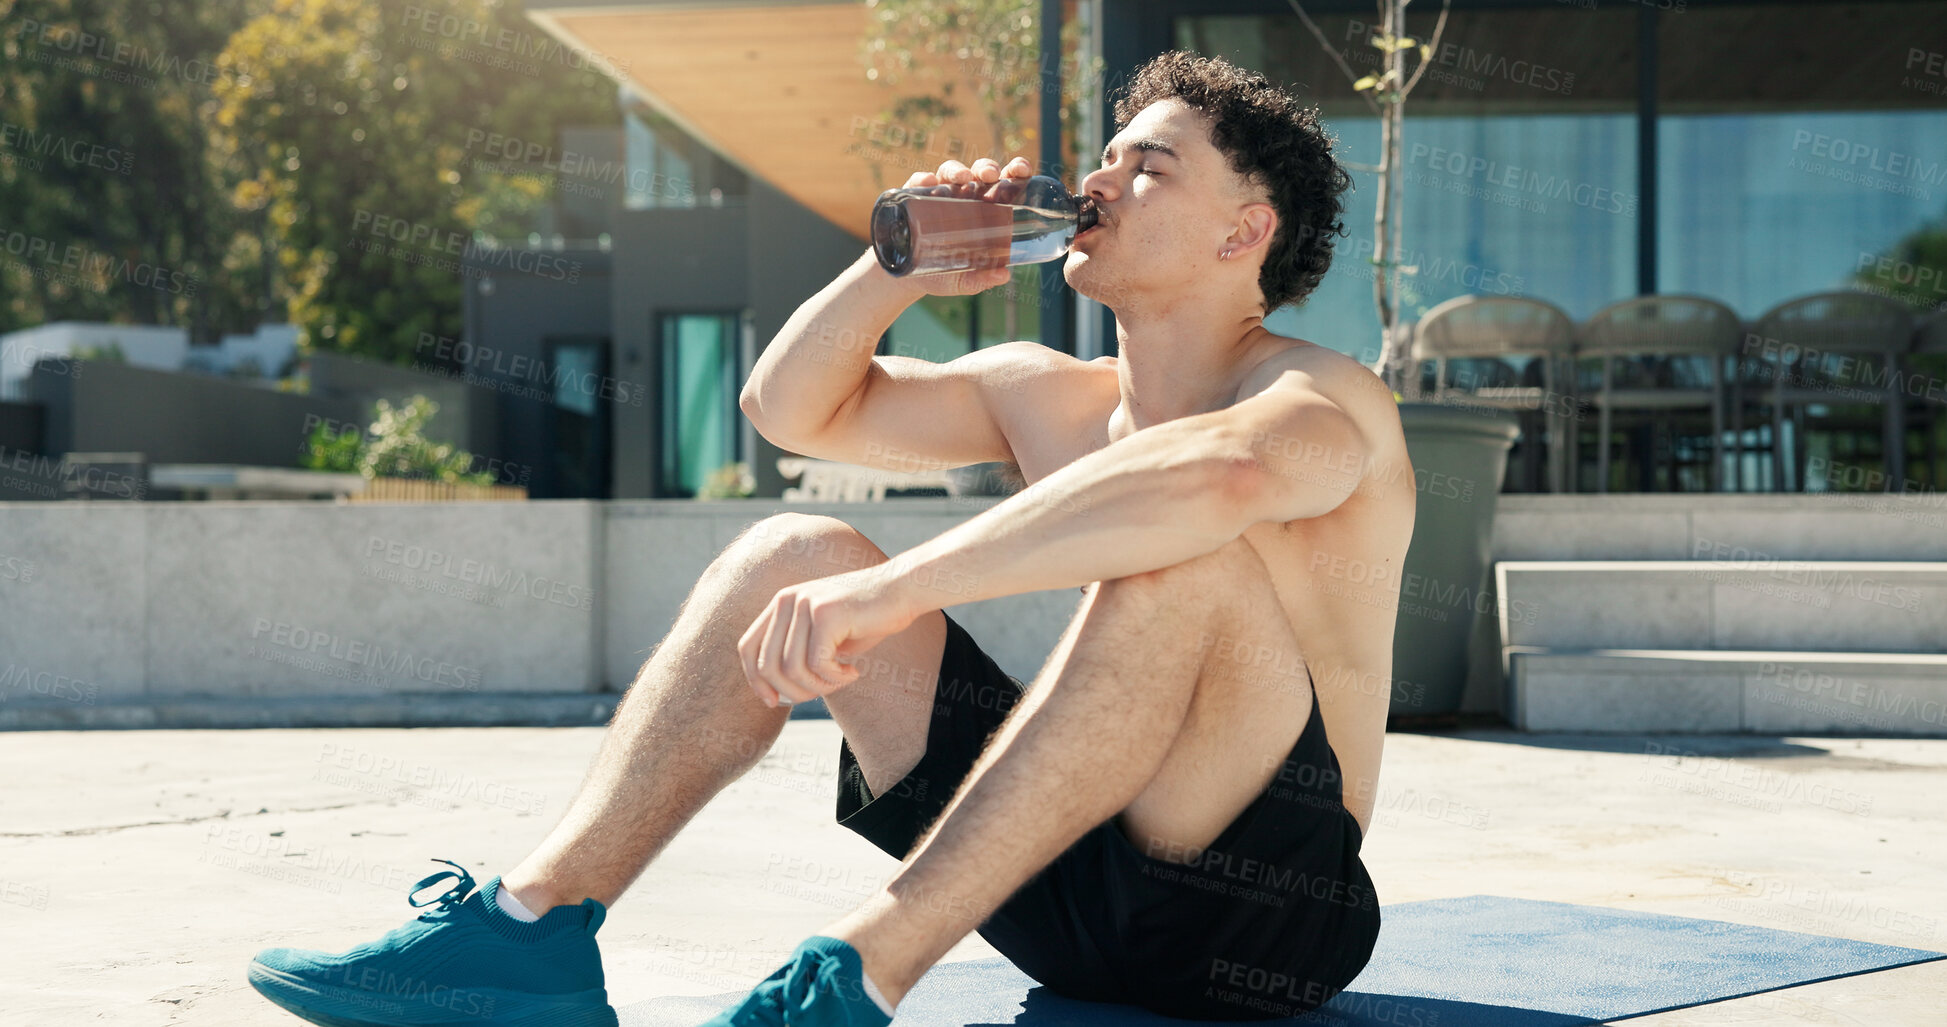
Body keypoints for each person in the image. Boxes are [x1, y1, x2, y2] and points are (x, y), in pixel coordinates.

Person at [248, 50, 1415, 1027]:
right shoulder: (1043, 390)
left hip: (1267, 916)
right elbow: (791, 411)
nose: (1102, 180)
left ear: (1243, 232)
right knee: (792, 553)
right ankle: (528, 932)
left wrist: (896, 591)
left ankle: (847, 980)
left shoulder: (1326, 396)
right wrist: (898, 260)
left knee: (1187, 556)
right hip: (1060, 891)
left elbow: (1221, 477)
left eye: (1148, 166)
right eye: (1106, 155)